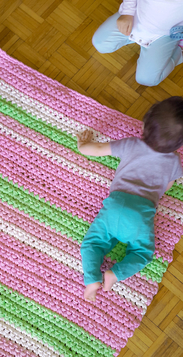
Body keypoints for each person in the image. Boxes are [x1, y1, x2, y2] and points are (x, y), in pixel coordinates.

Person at [77, 96, 183, 301]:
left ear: (144, 126)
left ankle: (91, 279)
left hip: (115, 204)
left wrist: (83, 144)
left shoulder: (131, 144)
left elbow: (97, 150)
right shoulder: (175, 163)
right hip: (142, 213)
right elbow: (166, 186)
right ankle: (114, 274)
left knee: (92, 244)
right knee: (142, 253)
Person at [92, 0, 183, 86]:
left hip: (165, 34)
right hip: (136, 16)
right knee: (100, 44)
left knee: (147, 79)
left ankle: (178, 49)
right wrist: (127, 12)